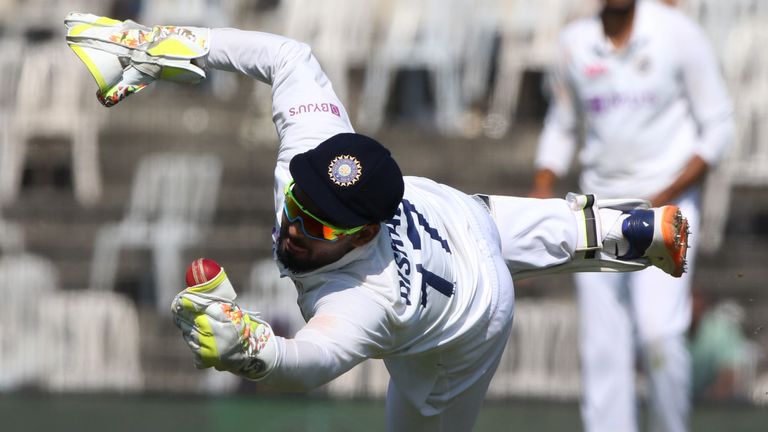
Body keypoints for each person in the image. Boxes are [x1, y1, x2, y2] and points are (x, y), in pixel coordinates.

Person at [65, 11, 690, 432]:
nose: (295, 225)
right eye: (300, 202)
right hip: (446, 211)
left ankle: (605, 232)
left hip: (466, 322)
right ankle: (619, 230)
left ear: (361, 234)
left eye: (320, 224)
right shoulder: (312, 150)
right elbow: (288, 56)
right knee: (481, 220)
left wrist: (252, 352)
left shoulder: (365, 299)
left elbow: (308, 363)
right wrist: (157, 43)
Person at [529, 1, 733, 431]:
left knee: (658, 332)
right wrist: (542, 185)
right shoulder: (574, 43)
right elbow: (562, 124)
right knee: (603, 346)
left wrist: (668, 192)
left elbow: (718, 128)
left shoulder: (677, 33)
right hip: (598, 208)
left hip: (667, 204)